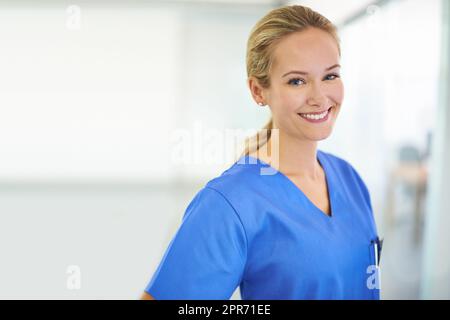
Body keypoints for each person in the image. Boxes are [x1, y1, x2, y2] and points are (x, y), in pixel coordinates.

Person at [141, 4, 381, 300]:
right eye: (297, 81)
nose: (320, 97)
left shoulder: (349, 179)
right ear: (258, 91)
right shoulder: (230, 203)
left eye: (330, 76)